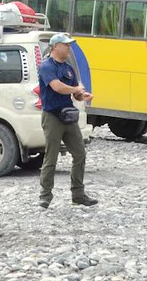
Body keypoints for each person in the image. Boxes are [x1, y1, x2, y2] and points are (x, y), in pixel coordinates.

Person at [38, 33, 97, 209]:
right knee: (51, 156)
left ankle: (78, 194)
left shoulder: (69, 68)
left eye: (69, 45)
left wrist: (82, 95)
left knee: (80, 154)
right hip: (52, 116)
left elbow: (75, 94)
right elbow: (57, 86)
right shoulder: (46, 66)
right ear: (55, 46)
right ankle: (45, 196)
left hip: (68, 115)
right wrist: (76, 88)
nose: (69, 47)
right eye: (66, 45)